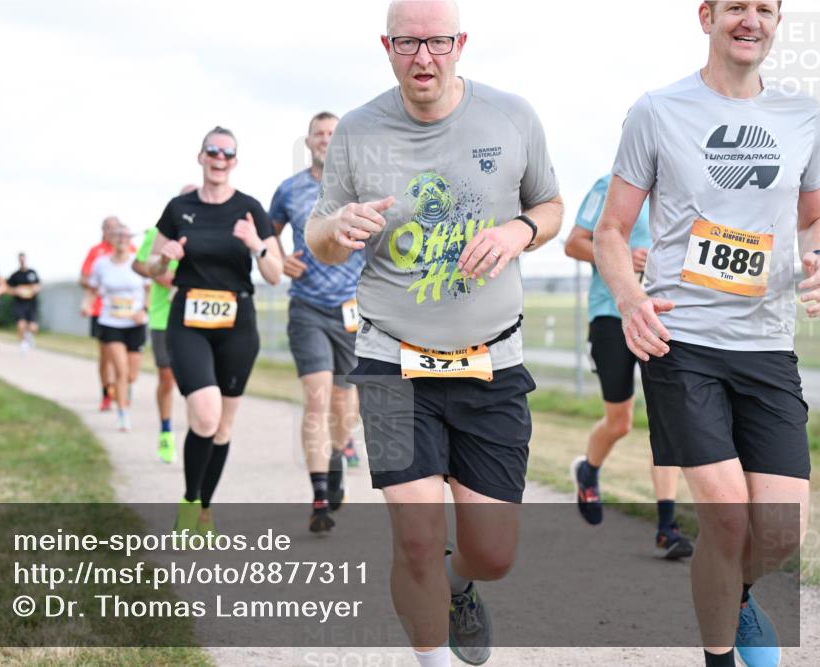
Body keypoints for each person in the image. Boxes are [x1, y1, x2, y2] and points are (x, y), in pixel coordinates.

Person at [305, 1, 563, 664]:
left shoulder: (511, 116)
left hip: (491, 362)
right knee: (416, 536)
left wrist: (518, 231)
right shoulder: (357, 130)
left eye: (437, 42)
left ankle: (459, 585)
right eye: (408, 43)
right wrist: (337, 230)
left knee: (493, 552)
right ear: (386, 46)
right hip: (390, 360)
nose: (423, 57)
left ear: (460, 43)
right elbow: (319, 236)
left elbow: (551, 206)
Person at [593, 3, 818, 666]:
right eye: (736, 7)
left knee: (780, 532)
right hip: (681, 338)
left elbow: (812, 220)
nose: (751, 20)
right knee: (725, 515)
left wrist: (815, 256)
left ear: (777, 22)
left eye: (765, 9)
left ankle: (736, 595)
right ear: (707, 16)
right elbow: (611, 230)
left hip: (767, 343)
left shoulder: (804, 115)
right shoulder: (658, 111)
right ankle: (718, 655)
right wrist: (630, 299)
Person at [146, 126, 282, 537]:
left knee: (222, 426)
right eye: (213, 151)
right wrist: (164, 259)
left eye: (227, 153)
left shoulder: (250, 209)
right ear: (201, 156)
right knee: (205, 414)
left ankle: (205, 509)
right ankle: (189, 504)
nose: (219, 159)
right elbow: (152, 267)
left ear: (235, 162)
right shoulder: (179, 207)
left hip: (237, 324)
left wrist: (256, 244)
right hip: (189, 319)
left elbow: (274, 273)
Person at [565, 173, 694, 559]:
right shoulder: (608, 185)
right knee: (620, 422)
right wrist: (622, 255)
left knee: (667, 422)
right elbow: (574, 243)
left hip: (665, 317)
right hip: (612, 314)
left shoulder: (685, 184)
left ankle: (666, 527)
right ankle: (588, 471)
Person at [270, 111, 363, 533]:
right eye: (318, 133)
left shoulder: (361, 187)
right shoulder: (289, 190)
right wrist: (279, 259)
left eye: (333, 133)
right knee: (317, 398)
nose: (326, 139)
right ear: (308, 142)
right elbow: (267, 234)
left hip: (351, 310)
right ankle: (320, 497)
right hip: (307, 307)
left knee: (344, 405)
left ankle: (338, 453)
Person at [133, 184, 198, 464]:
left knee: (200, 382)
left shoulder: (210, 232)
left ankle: (199, 434)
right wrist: (159, 274)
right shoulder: (158, 233)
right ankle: (166, 430)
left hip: (198, 316)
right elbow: (139, 264)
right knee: (168, 378)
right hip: (164, 317)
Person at [81, 217, 124, 411]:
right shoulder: (96, 252)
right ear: (103, 230)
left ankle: (121, 387)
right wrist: (97, 288)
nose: (112, 232)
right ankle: (107, 392)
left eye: (115, 228)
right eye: (108, 228)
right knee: (106, 356)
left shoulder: (131, 250)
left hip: (127, 313)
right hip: (102, 310)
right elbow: (84, 279)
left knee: (123, 358)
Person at [8, 253, 42, 354]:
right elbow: (7, 288)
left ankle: (29, 336)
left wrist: (36, 289)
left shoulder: (32, 273)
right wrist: (15, 290)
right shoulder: (15, 275)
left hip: (31, 304)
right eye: (20, 259)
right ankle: (23, 344)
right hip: (19, 304)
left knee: (33, 328)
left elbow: (39, 285)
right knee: (21, 325)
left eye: (23, 259)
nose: (22, 261)